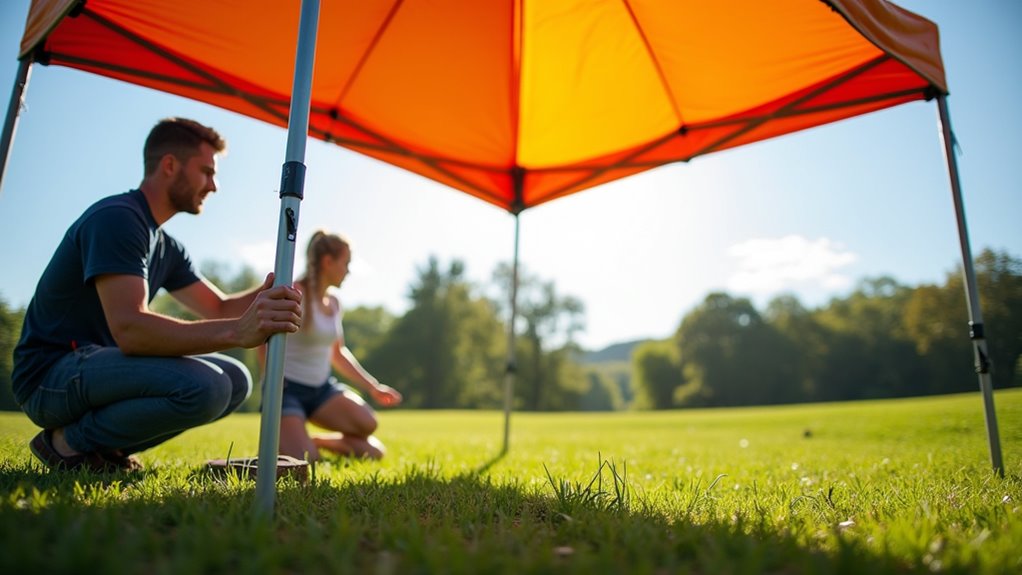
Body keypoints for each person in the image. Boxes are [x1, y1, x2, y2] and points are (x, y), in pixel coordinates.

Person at [11, 117, 304, 472]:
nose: (214, 185)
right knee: (207, 386)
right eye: (207, 171)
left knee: (235, 380)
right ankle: (68, 445)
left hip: (100, 369)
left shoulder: (166, 246)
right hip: (50, 377)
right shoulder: (118, 219)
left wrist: (274, 288)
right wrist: (236, 332)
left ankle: (103, 451)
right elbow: (132, 330)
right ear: (169, 165)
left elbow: (217, 307)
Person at [271, 230, 401, 462]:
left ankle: (317, 441)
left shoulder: (334, 303)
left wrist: (373, 386)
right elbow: (265, 339)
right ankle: (297, 438)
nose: (348, 271)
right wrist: (271, 384)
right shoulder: (293, 292)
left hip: (321, 391)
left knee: (372, 442)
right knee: (306, 462)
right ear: (327, 262)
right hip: (286, 392)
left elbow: (338, 353)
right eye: (346, 263)